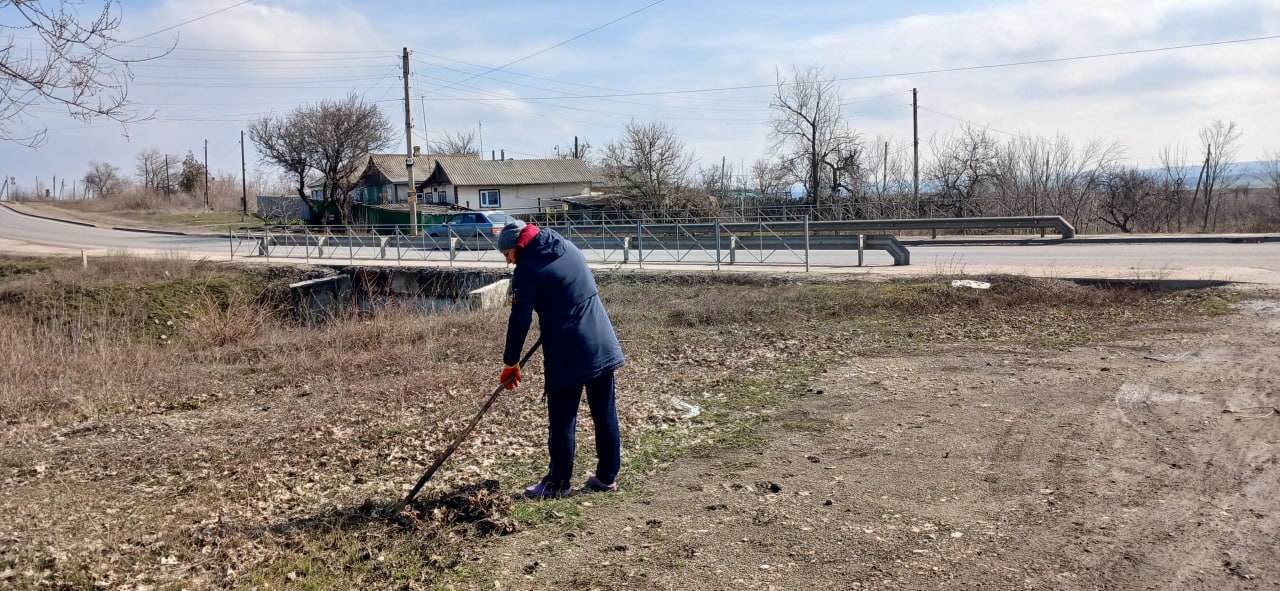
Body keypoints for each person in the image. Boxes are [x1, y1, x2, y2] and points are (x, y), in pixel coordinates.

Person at [497, 219, 625, 498]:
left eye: (507, 255)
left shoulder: (527, 270)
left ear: (517, 247)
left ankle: (558, 483)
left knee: (562, 419)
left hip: (568, 351)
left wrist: (510, 362)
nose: (508, 262)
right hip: (602, 339)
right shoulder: (567, 247)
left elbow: (519, 320)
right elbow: (567, 291)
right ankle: (607, 476)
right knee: (604, 414)